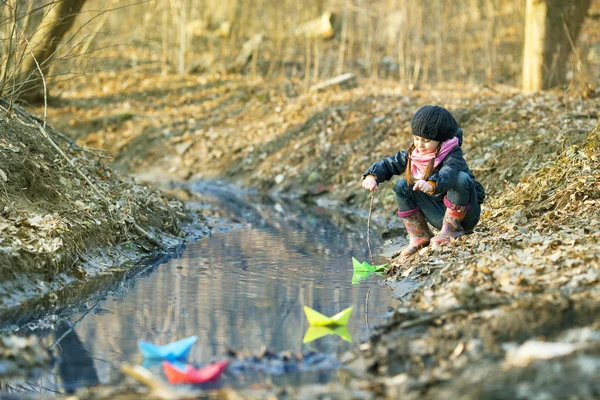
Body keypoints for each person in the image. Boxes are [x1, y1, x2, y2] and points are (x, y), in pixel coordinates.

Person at [361, 105, 485, 258]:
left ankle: (452, 230)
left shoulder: (452, 154)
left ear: (440, 140)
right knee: (402, 187)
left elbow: (449, 173)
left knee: (461, 178)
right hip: (439, 215)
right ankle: (420, 235)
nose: (420, 144)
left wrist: (432, 184)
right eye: (417, 139)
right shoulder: (415, 154)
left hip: (465, 215)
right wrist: (372, 176)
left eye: (426, 141)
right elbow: (390, 163)